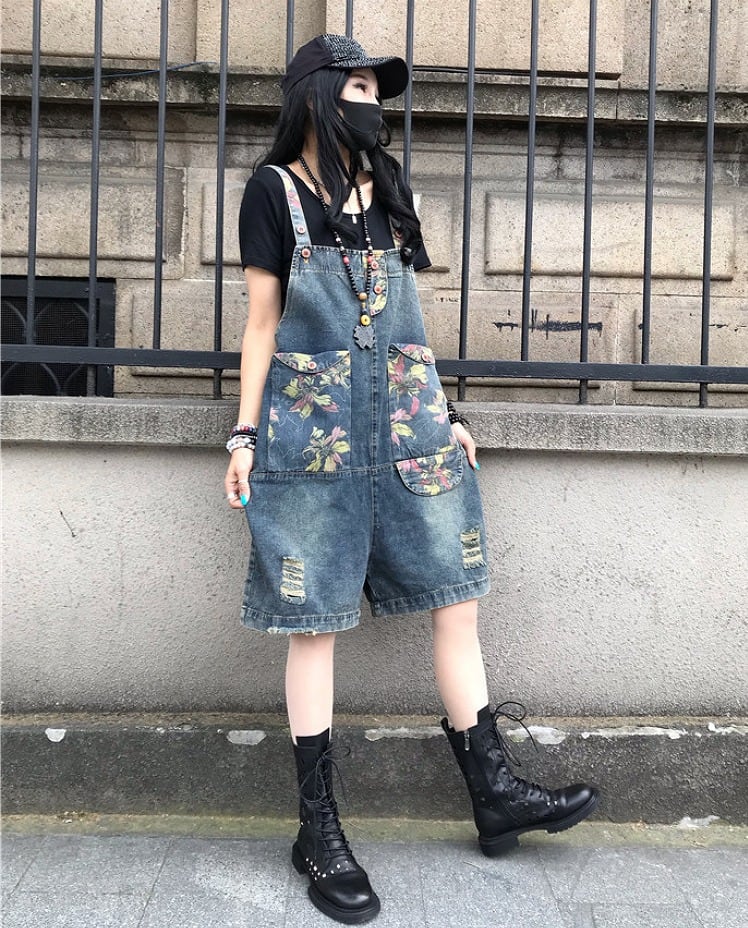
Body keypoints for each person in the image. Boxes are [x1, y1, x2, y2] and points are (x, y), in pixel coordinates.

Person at [228, 33, 599, 925]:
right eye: (356, 87)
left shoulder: (387, 189)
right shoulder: (271, 192)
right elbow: (262, 324)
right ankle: (317, 831)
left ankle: (494, 793)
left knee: (455, 598)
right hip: (312, 435)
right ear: (315, 95)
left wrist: (447, 412)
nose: (371, 103)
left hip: (407, 426)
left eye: (375, 90)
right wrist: (242, 434)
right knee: (314, 625)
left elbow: (406, 324)